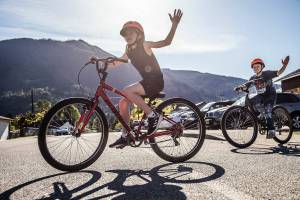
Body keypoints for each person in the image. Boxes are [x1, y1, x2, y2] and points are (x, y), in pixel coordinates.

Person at [91, 9, 183, 147]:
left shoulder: (145, 45)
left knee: (127, 90)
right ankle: (125, 135)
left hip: (156, 82)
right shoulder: (128, 49)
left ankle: (153, 116)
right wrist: (101, 62)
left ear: (139, 34)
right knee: (123, 102)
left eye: (131, 32)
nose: (127, 35)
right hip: (146, 82)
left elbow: (167, 42)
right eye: (125, 34)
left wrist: (174, 24)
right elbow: (117, 62)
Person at [236, 56, 290, 138]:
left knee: (268, 110)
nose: (256, 68)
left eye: (258, 66)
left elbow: (279, 72)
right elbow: (246, 85)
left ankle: (272, 130)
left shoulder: (267, 74)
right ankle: (261, 121)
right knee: (255, 106)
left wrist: (284, 66)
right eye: (254, 67)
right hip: (260, 97)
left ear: (262, 67)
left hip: (270, 95)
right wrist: (241, 87)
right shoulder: (252, 78)